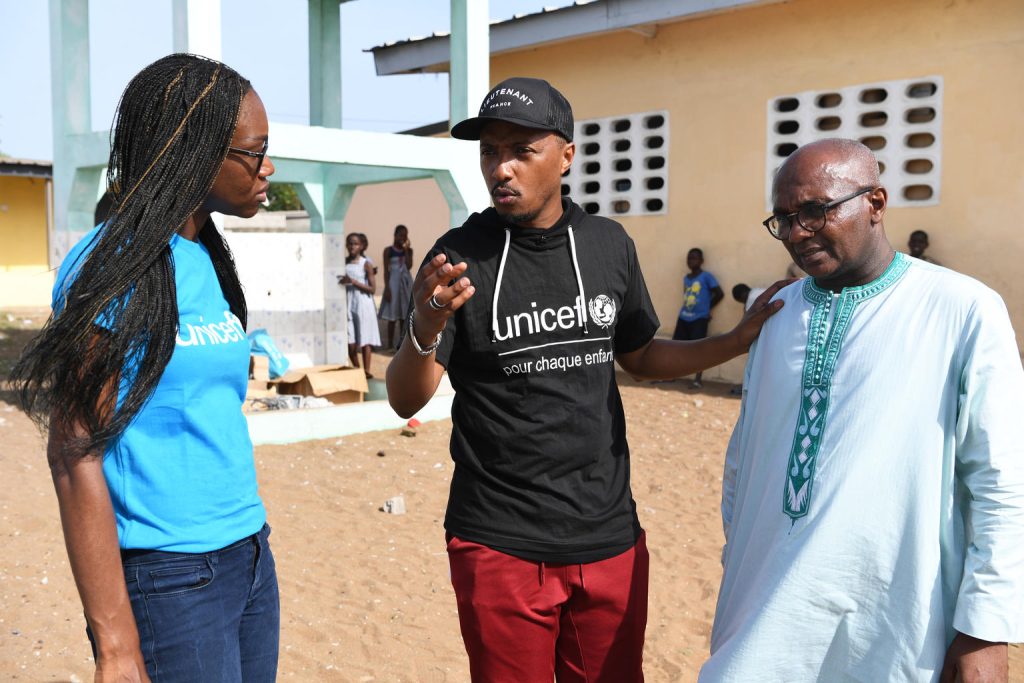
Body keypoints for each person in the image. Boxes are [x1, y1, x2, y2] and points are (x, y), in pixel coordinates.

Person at [385, 76, 788, 682]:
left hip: (607, 537)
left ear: (567, 155)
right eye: (490, 151)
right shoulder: (459, 256)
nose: (501, 169)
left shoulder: (607, 245)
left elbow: (640, 355)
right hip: (498, 541)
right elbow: (404, 399)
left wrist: (733, 341)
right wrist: (425, 326)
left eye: (522, 150)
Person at [700, 138, 1023, 682]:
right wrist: (737, 563)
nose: (797, 232)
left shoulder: (963, 310)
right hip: (761, 616)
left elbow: (1002, 481)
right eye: (784, 219)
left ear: (875, 203)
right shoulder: (774, 316)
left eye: (814, 211)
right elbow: (744, 459)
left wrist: (985, 629)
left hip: (895, 624)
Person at [10, 54, 280, 682]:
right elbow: (73, 452)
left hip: (247, 555)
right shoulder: (112, 266)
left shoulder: (207, 256)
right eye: (255, 152)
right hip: (170, 578)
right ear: (194, 152)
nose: (268, 167)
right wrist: (114, 641)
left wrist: (250, 550)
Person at [673, 248, 724, 389]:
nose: (691, 261)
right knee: (675, 346)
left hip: (700, 318)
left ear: (701, 261)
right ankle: (671, 375)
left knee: (699, 349)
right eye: (689, 258)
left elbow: (719, 293)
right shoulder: (686, 278)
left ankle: (697, 379)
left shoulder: (706, 276)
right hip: (684, 316)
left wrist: (707, 308)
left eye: (694, 258)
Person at [339, 231, 381, 377]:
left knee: (365, 338)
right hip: (348, 304)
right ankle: (357, 369)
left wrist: (353, 282)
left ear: (362, 246)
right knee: (350, 342)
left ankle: (366, 371)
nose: (352, 246)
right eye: (350, 243)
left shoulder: (366, 264)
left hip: (363, 304)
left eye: (356, 244)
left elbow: (372, 289)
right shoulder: (343, 263)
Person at [378, 223, 415, 349]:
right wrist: (387, 288)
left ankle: (402, 345)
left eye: (405, 235)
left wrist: (406, 250)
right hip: (393, 284)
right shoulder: (388, 251)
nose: (402, 238)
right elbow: (386, 270)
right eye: (400, 235)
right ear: (395, 235)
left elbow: (409, 266)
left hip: (405, 286)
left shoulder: (409, 250)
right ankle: (389, 344)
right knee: (392, 316)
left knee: (404, 315)